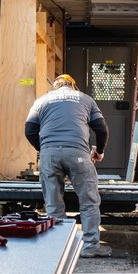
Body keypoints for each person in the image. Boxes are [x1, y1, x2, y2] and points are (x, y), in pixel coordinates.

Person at [24, 74, 111, 257]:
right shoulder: (85, 99)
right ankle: (90, 247)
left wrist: (45, 149)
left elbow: (30, 130)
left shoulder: (42, 101)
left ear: (55, 87)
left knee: (53, 204)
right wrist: (100, 151)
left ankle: (60, 249)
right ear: (73, 86)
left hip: (49, 155)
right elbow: (101, 128)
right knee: (89, 202)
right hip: (77, 154)